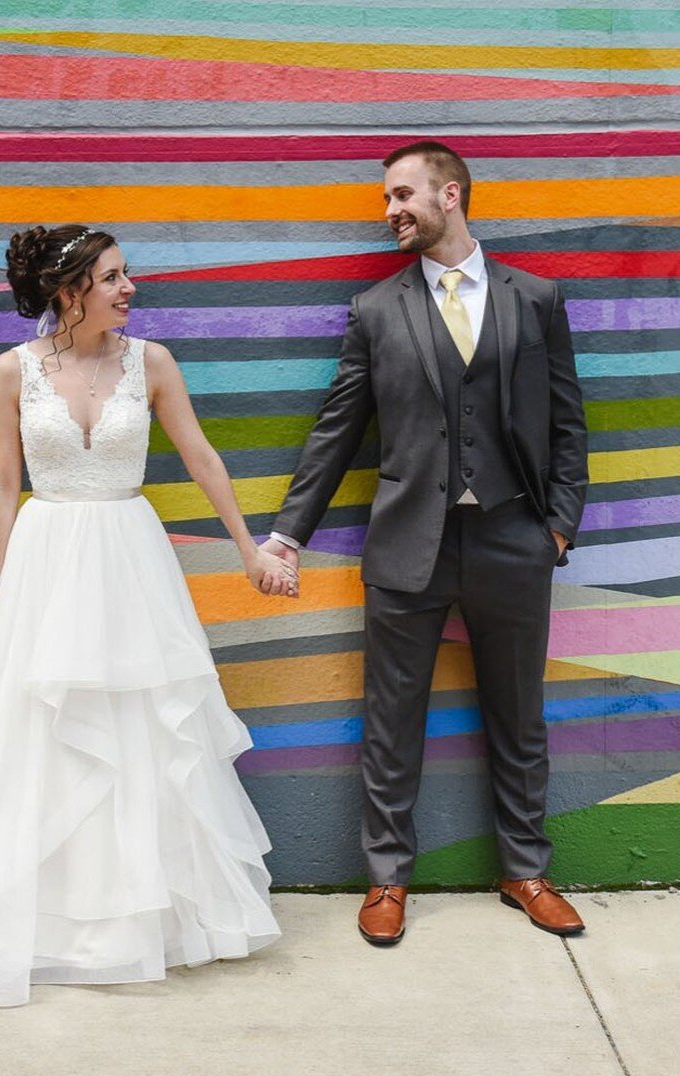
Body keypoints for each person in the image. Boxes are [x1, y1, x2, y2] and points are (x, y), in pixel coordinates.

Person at [0, 224, 294, 1006]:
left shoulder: (152, 363)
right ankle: (43, 921)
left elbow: (201, 455)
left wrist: (248, 549)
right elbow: (3, 484)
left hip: (129, 559)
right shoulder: (13, 372)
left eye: (126, 274)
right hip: (45, 560)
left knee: (142, 730)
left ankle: (140, 922)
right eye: (112, 277)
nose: (130, 288)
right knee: (38, 732)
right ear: (69, 291)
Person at [260, 140, 589, 944]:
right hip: (409, 541)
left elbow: (568, 421)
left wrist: (558, 524)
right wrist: (287, 534)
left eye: (402, 194)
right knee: (391, 716)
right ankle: (386, 879)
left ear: (452, 195)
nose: (390, 211)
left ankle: (525, 869)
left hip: (515, 538)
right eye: (386, 198)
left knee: (519, 717)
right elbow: (338, 428)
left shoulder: (535, 298)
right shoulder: (377, 310)